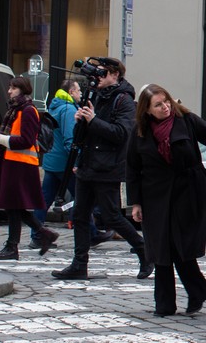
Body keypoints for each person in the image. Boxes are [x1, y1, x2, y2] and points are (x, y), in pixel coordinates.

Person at [52, 57, 151, 281]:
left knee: (112, 216)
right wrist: (81, 120)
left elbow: (122, 134)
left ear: (115, 75)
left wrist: (93, 120)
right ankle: (79, 264)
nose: (98, 77)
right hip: (88, 164)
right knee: (79, 215)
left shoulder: (123, 100)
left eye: (103, 73)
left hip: (108, 168)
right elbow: (89, 132)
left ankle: (144, 250)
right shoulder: (97, 96)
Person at [126, 84, 206, 317]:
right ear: (147, 109)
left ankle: (196, 292)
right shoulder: (139, 131)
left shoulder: (186, 119)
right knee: (160, 249)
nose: (165, 107)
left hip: (187, 192)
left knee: (181, 246)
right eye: (158, 105)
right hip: (154, 196)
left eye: (166, 101)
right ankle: (166, 303)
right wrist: (135, 202)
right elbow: (133, 169)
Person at [0, 77, 59, 259]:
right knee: (13, 206)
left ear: (22, 90)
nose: (9, 91)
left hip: (21, 165)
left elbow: (26, 139)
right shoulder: (16, 110)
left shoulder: (28, 110)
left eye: (13, 88)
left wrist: (0, 139)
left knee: (13, 205)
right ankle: (40, 235)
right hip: (12, 162)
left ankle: (13, 246)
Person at [31, 80, 88, 247]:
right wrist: (76, 161)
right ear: (71, 92)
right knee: (82, 197)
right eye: (78, 90)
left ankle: (37, 235)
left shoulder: (54, 106)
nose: (80, 94)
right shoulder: (68, 109)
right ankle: (91, 233)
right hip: (65, 163)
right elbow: (71, 138)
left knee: (44, 199)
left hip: (51, 161)